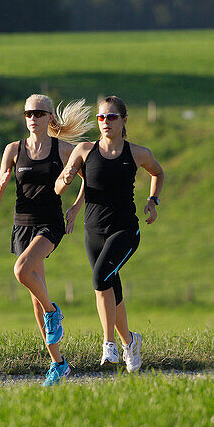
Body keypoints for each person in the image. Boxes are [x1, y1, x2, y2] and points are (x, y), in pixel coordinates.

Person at [56, 95, 164, 373]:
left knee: (99, 278)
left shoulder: (138, 153)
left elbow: (158, 173)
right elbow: (59, 187)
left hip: (125, 230)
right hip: (93, 231)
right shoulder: (84, 151)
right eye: (101, 117)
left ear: (124, 121)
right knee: (110, 285)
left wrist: (153, 201)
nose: (105, 122)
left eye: (111, 117)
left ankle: (109, 344)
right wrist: (65, 181)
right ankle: (130, 342)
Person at [0, 93, 92, 386]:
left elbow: (89, 176)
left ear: (50, 118)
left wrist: (75, 207)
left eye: (38, 113)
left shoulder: (62, 149)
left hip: (49, 223)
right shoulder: (12, 149)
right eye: (28, 114)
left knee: (22, 271)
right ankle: (58, 364)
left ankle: (54, 312)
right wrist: (0, 186)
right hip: (22, 224)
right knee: (35, 297)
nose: (33, 118)